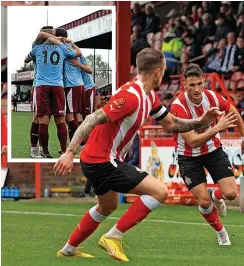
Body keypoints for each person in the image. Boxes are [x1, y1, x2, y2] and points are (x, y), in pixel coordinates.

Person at [54, 48, 223, 262]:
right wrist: (69, 152)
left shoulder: (149, 96)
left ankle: (69, 248)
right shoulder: (131, 96)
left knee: (107, 206)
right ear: (158, 72)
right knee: (159, 191)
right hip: (102, 160)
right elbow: (91, 119)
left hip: (100, 159)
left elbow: (171, 124)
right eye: (164, 71)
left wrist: (200, 121)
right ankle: (113, 237)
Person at [170, 64, 244, 246]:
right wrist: (216, 128)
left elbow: (233, 113)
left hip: (213, 151)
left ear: (204, 82)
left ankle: (216, 196)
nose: (197, 89)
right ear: (184, 85)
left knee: (231, 194)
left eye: (199, 84)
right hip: (188, 156)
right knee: (204, 202)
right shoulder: (178, 107)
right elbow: (192, 141)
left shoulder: (212, 97)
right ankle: (221, 232)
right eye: (192, 85)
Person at [25, 29, 81, 158]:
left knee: (43, 121)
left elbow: (25, 60)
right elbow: (78, 52)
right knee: (60, 121)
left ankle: (45, 152)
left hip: (41, 86)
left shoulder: (37, 49)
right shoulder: (62, 48)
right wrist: (65, 41)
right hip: (57, 86)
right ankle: (63, 150)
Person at [25, 26, 55, 158]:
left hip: (49, 85)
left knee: (43, 119)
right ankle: (36, 150)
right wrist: (55, 38)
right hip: (39, 85)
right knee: (38, 118)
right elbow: (40, 35)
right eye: (51, 35)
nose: (53, 38)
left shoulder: (54, 48)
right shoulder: (37, 46)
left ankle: (40, 150)